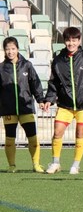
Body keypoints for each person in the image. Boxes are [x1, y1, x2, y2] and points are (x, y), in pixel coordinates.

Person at [42, 27, 83, 174]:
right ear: (65, 41)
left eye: (74, 40)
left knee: (80, 133)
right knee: (57, 132)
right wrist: (49, 99)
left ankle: (75, 165)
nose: (71, 43)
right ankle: (55, 162)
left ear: (79, 41)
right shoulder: (57, 60)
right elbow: (53, 82)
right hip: (65, 104)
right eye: (68, 40)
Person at [0, 37, 45, 173]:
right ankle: (12, 165)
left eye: (13, 48)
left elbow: (35, 83)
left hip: (26, 107)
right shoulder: (1, 68)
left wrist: (40, 100)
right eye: (7, 49)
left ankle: (36, 164)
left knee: (33, 138)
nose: (10, 52)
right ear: (4, 50)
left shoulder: (27, 65)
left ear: (18, 49)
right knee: (9, 139)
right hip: (8, 109)